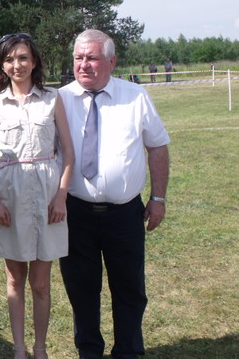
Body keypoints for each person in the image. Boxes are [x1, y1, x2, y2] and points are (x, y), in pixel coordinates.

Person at [59, 29, 170, 359]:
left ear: (111, 61)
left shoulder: (135, 97)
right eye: (79, 58)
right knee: (81, 289)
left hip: (125, 215)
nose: (84, 65)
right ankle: (89, 351)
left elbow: (157, 147)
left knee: (130, 289)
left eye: (92, 58)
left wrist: (158, 198)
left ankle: (129, 351)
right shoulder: (59, 100)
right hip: (75, 213)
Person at [0, 33, 74, 359]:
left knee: (41, 283)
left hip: (47, 193)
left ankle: (41, 347)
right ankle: (19, 349)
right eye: (9, 59)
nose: (16, 65)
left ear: (34, 61)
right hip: (10, 194)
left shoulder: (52, 99)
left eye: (22, 58)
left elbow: (69, 154)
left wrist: (61, 197)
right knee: (15, 279)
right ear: (2, 65)